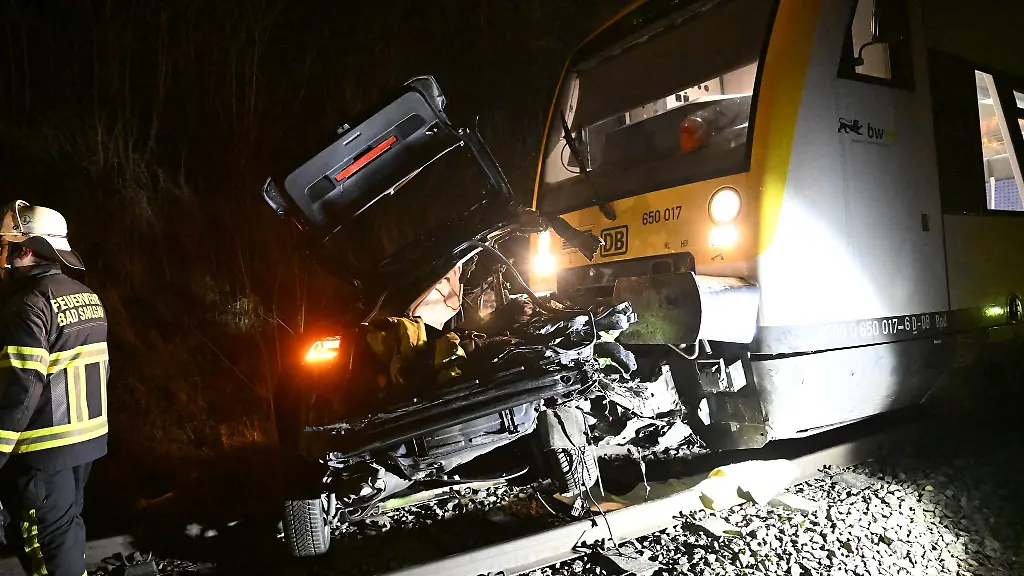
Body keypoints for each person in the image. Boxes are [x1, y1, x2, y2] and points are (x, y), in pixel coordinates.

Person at [0, 200, 108, 576]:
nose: (1, 256)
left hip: (42, 451)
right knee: (66, 532)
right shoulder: (85, 296)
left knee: (46, 545)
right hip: (85, 443)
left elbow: (21, 390)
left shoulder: (29, 304)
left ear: (24, 250)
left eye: (4, 246)